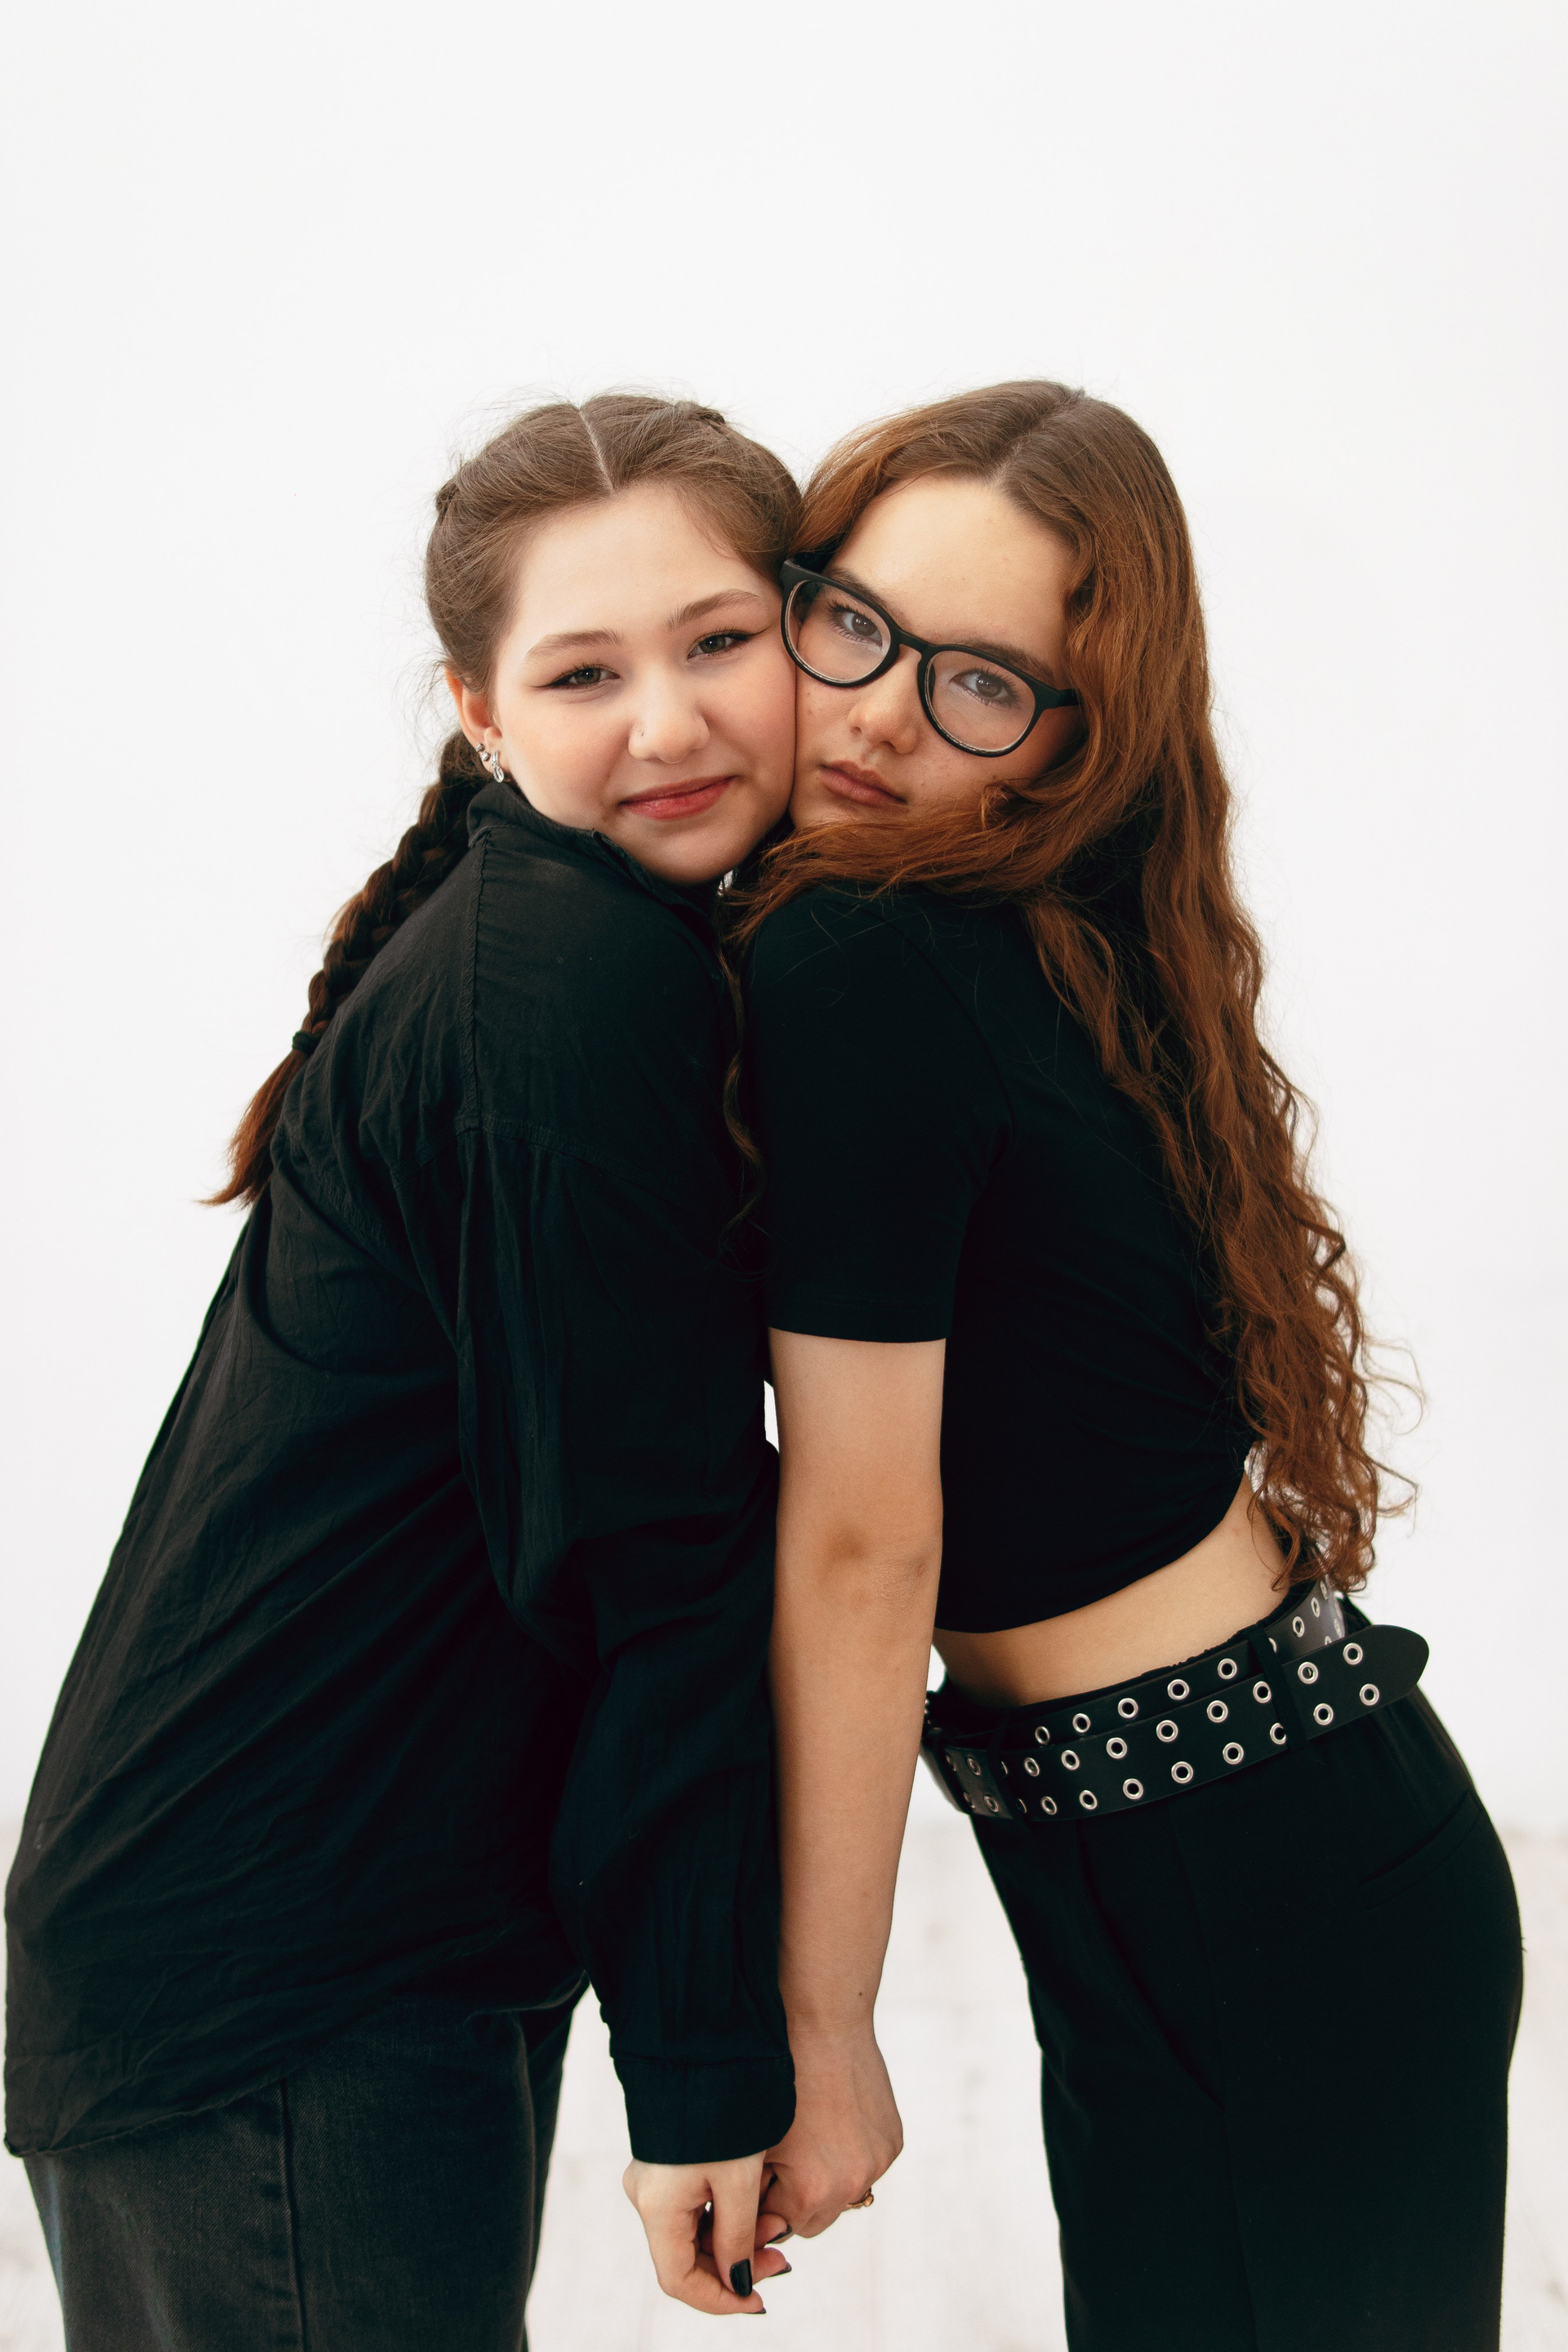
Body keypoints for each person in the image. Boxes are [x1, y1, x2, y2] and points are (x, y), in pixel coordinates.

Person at [5, 392, 801, 2347]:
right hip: (284, 1979)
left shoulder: (579, 936)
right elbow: (656, 1561)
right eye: (585, 672)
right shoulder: (564, 988)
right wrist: (706, 2067)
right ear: (480, 711)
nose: (670, 722)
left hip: (336, 1927)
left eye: (720, 639)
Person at [741, 381, 1523, 2350]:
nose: (880, 715)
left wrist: (820, 2025)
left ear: (1074, 744)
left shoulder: (873, 959)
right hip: (1242, 1855)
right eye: (855, 625)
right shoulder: (999, 943)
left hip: (1265, 1896)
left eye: (980, 684)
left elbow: (867, 1544)